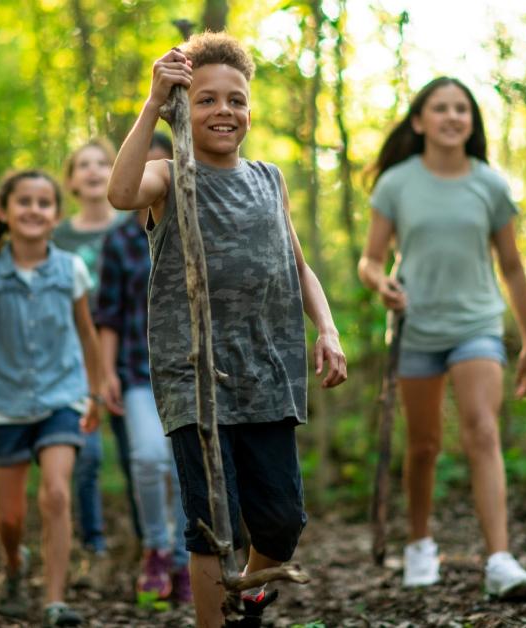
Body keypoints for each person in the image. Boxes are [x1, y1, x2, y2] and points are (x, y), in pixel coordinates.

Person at [107, 33, 348, 627]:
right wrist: (152, 102)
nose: (224, 111)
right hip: (196, 378)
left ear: (250, 108)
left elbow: (296, 264)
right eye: (206, 99)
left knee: (283, 520)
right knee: (215, 523)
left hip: (270, 372)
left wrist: (328, 329)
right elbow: (118, 193)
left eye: (236, 100)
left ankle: (248, 596)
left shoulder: (270, 179)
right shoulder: (168, 176)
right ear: (183, 110)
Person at [357, 77, 526, 600]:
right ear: (420, 121)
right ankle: (419, 543)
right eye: (440, 108)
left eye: (462, 108)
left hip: (476, 324)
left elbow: (511, 266)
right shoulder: (396, 183)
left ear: (471, 121)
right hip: (416, 327)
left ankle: (500, 560)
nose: (453, 116)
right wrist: (379, 281)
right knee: (423, 445)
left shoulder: (489, 184)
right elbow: (370, 259)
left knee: (482, 430)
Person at [0, 169, 105, 626]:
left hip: (63, 398)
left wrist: (94, 391)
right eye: (24, 202)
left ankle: (54, 602)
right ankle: (14, 564)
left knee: (55, 495)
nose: (33, 210)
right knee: (10, 519)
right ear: (3, 211)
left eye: (43, 202)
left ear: (56, 214)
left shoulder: (70, 268)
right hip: (5, 405)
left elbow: (88, 335)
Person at [95, 132, 192, 603]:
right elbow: (108, 313)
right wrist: (106, 372)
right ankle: (155, 546)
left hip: (191, 370)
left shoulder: (194, 224)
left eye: (162, 169)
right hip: (137, 369)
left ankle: (183, 556)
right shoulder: (119, 242)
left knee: (184, 466)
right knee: (149, 458)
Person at [51, 139, 136, 566]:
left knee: (136, 452)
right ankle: (93, 544)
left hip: (129, 355)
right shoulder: (58, 235)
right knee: (86, 457)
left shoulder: (132, 225)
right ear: (71, 181)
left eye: (103, 163)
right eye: (83, 165)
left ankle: (150, 542)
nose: (94, 170)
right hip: (73, 360)